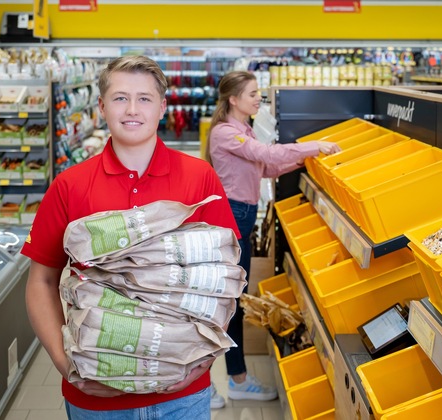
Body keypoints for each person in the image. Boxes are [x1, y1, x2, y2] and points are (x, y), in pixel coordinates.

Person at [21, 55, 240, 420]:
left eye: (144, 98)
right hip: (95, 400)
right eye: (121, 98)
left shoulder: (199, 179)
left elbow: (226, 279)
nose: (132, 109)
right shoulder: (70, 186)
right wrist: (65, 364)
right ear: (102, 107)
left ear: (162, 107)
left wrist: (206, 357)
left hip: (182, 395)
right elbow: (41, 280)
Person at [205, 70, 340, 408]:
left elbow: (267, 168)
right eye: (252, 94)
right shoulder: (225, 133)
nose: (258, 99)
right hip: (232, 217)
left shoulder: (244, 130)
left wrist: (307, 158)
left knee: (234, 300)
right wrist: (312, 146)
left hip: (242, 217)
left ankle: (235, 378)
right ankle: (207, 383)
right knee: (223, 302)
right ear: (233, 99)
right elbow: (265, 155)